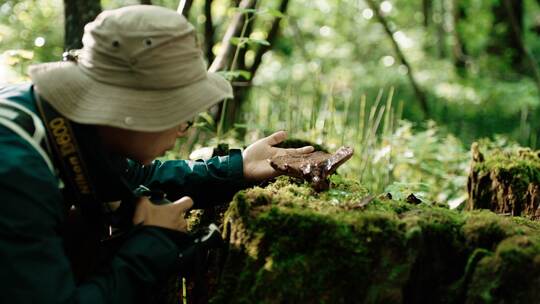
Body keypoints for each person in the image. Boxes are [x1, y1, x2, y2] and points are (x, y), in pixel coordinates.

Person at [0, 5, 313, 303]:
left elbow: (138, 177)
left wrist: (237, 166)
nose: (186, 130)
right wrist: (153, 245)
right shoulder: (16, 174)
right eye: (181, 115)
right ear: (132, 110)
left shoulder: (60, 120)